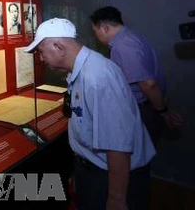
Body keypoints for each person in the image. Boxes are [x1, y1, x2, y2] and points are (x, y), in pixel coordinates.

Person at [25, 17, 155, 210]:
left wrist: (116, 199)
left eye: (42, 52)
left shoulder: (97, 76)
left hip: (112, 178)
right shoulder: (84, 70)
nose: (41, 59)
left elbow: (118, 146)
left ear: (59, 47)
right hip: (95, 171)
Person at [90, 6, 184, 146]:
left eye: (95, 31)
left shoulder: (123, 45)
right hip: (150, 106)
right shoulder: (133, 37)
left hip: (143, 110)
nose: (96, 36)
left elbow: (148, 84)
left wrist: (163, 112)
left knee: (138, 157)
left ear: (104, 27)